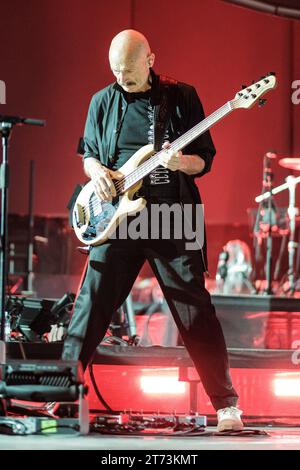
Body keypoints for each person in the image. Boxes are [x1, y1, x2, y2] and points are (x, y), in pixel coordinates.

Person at [62, 29, 243, 432]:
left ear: (150, 60)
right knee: (91, 303)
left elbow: (203, 160)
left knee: (194, 308)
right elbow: (89, 154)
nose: (122, 79)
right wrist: (96, 172)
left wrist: (181, 163)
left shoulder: (182, 97)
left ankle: (226, 406)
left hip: (172, 213)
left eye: (128, 71)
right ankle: (64, 391)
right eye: (115, 72)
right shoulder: (102, 101)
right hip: (116, 214)